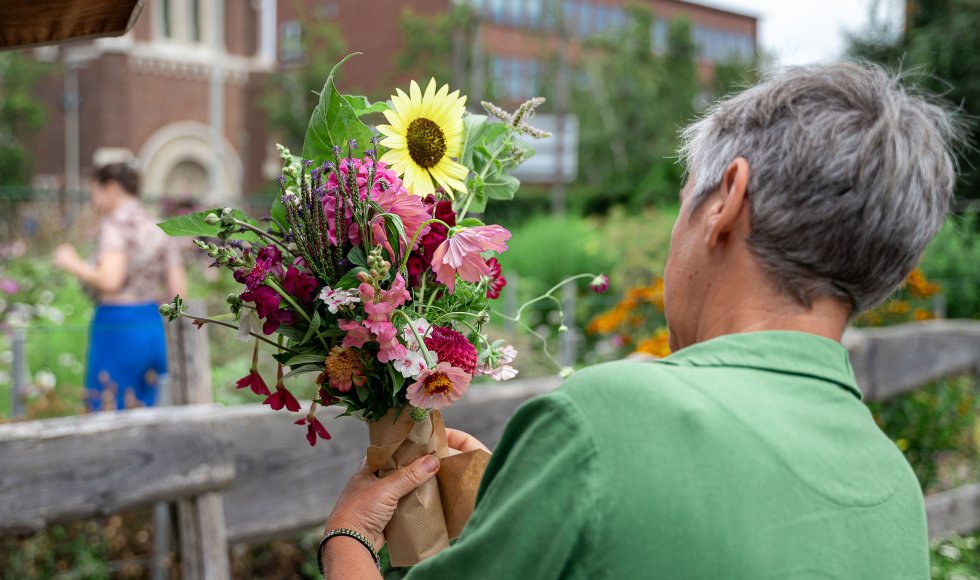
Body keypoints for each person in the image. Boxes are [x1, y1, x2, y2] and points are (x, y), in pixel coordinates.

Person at [320, 63, 962, 579]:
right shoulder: (893, 487)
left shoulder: (606, 420)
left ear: (728, 201)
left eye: (686, 200)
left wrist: (347, 542)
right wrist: (530, 490)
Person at [54, 162, 186, 412]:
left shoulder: (114, 225)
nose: (93, 201)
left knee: (106, 408)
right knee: (148, 410)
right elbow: (179, 292)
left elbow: (110, 281)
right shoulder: (161, 227)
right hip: (152, 324)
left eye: (94, 192)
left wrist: (71, 262)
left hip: (117, 326)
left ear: (111, 188)